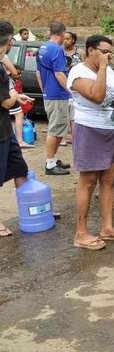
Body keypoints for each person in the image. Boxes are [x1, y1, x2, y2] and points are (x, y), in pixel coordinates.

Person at [68, 35, 114, 250]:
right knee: (88, 182)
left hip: (113, 130)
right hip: (91, 130)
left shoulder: (109, 71)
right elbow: (97, 95)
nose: (109, 55)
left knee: (109, 180)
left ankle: (107, 228)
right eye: (104, 51)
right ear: (90, 50)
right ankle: (81, 233)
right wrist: (104, 68)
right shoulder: (78, 73)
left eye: (110, 52)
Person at [0, 21, 37, 237]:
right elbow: (5, 102)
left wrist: (16, 96)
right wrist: (13, 96)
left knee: (20, 170)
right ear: (10, 41)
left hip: (6, 131)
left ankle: (31, 209)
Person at [37, 22, 72, 175]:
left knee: (59, 128)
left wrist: (44, 90)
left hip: (50, 93)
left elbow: (38, 73)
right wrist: (72, 91)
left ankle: (54, 159)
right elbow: (59, 74)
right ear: (63, 34)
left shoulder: (43, 48)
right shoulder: (57, 49)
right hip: (57, 95)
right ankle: (50, 164)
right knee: (55, 129)